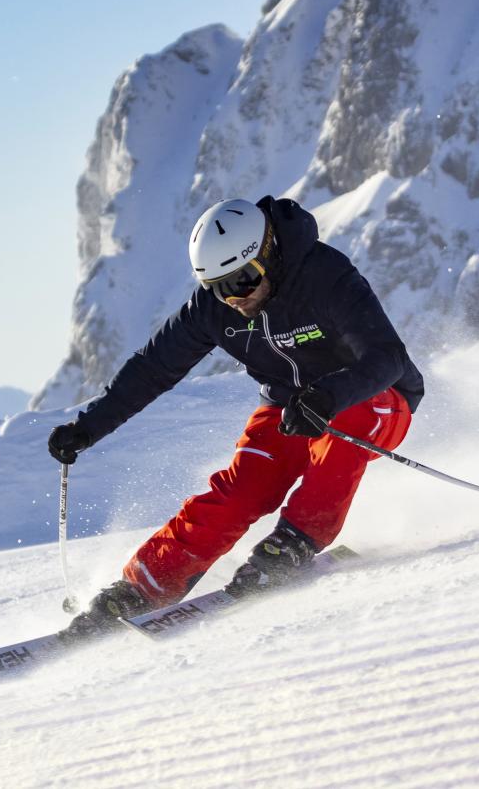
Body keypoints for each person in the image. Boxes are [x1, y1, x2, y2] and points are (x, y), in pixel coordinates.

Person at [47, 196, 425, 638]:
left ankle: (294, 542)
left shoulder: (323, 275)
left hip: (373, 400)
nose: (235, 297)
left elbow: (388, 358)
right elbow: (153, 369)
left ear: (268, 253)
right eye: (219, 287)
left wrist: (330, 396)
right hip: (288, 407)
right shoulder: (213, 309)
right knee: (245, 487)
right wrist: (89, 426)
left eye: (244, 280)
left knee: (344, 423)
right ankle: (144, 585)